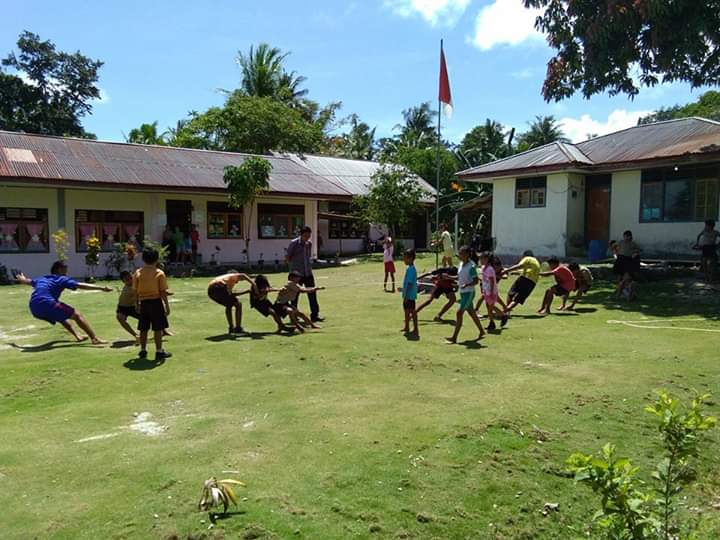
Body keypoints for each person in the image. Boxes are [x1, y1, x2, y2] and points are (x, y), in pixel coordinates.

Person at [15, 261, 111, 345]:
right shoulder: (61, 279)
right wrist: (101, 288)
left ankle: (78, 336)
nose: (66, 272)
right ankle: (94, 339)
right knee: (77, 315)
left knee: (60, 316)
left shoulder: (42, 278)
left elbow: (27, 281)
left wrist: (22, 278)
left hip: (34, 308)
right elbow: (80, 285)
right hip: (48, 303)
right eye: (65, 269)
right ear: (59, 269)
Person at [133, 247, 171, 361]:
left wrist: (136, 304)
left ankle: (143, 350)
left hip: (144, 302)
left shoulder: (138, 273)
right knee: (158, 328)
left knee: (143, 328)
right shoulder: (159, 273)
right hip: (155, 302)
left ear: (143, 259)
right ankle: (159, 351)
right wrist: (167, 306)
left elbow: (135, 291)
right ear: (157, 259)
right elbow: (163, 292)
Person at [446, 246, 485, 344]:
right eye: (459, 253)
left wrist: (467, 284)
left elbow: (476, 281)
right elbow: (459, 277)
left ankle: (454, 337)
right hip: (463, 293)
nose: (460, 255)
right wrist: (449, 277)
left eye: (462, 253)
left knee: (459, 313)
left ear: (467, 254)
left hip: (469, 293)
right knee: (471, 312)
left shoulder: (471, 266)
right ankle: (482, 331)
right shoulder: (461, 264)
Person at [286, 226, 323, 322]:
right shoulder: (294, 243)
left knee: (312, 293)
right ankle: (293, 315)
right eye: (305, 236)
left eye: (309, 236)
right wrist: (293, 270)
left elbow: (308, 257)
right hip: (297, 274)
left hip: (308, 273)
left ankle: (315, 315)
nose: (307, 237)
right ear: (301, 234)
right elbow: (287, 257)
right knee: (294, 295)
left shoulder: (309, 244)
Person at [501, 250, 541, 326]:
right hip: (532, 283)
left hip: (524, 278)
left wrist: (506, 270)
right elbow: (526, 270)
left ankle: (506, 312)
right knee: (518, 299)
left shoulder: (527, 258)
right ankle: (508, 309)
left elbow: (519, 266)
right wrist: (515, 272)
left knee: (511, 293)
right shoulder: (536, 262)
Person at [478, 251, 502, 331]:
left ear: (487, 259)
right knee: (490, 308)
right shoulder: (483, 268)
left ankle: (493, 322)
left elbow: (492, 281)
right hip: (486, 291)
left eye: (482, 258)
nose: (480, 260)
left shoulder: (490, 269)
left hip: (491, 291)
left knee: (490, 309)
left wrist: (491, 292)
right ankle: (502, 316)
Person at [613, 230, 641, 298]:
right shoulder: (621, 242)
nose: (625, 238)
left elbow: (638, 250)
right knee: (619, 276)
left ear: (629, 237)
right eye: (624, 236)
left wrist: (635, 253)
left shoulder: (633, 243)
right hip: (620, 260)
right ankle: (619, 291)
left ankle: (624, 292)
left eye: (626, 236)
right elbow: (614, 247)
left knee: (626, 277)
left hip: (627, 260)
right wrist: (615, 253)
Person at [116, 270, 140, 342]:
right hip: (122, 307)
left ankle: (163, 330)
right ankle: (135, 335)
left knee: (147, 318)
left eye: (131, 278)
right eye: (127, 279)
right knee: (120, 318)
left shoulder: (137, 285)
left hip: (133, 307)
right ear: (123, 281)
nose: (130, 280)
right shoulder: (127, 287)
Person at [400, 248, 419, 336]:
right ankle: (407, 326)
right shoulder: (409, 268)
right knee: (406, 311)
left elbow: (410, 284)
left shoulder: (411, 269)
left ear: (410, 258)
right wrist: (402, 289)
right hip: (406, 294)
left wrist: (406, 295)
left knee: (412, 311)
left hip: (410, 295)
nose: (404, 260)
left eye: (405, 258)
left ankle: (415, 328)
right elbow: (407, 282)